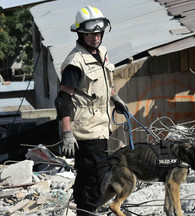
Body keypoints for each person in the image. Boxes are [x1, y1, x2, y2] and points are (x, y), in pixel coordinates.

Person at [54, 5, 128, 216]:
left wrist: (115, 98)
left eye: (98, 33)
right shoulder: (74, 62)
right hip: (85, 131)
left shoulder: (102, 53)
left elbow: (104, 83)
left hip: (102, 127)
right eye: (89, 34)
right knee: (96, 176)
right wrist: (67, 133)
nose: (95, 37)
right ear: (80, 33)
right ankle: (87, 211)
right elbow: (62, 100)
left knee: (91, 176)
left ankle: (87, 210)